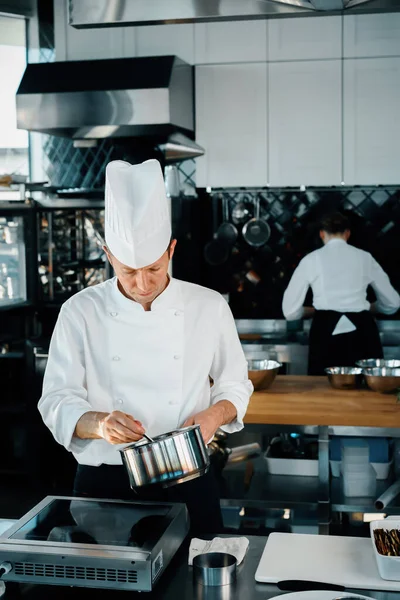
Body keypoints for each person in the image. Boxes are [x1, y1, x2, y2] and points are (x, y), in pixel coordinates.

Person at [38, 159, 253, 534]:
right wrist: (99, 424)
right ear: (108, 256)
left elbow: (235, 384)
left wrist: (213, 417)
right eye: (127, 271)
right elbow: (56, 399)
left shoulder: (208, 305)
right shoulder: (80, 311)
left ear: (171, 250)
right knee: (106, 590)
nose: (142, 283)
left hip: (188, 477)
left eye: (154, 268)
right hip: (104, 480)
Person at [282, 212, 400, 375]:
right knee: (366, 392)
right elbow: (393, 303)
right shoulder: (365, 258)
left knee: (323, 391)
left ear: (322, 233)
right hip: (363, 333)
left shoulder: (311, 259)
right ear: (347, 233)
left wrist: (314, 311)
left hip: (325, 332)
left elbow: (289, 311)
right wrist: (370, 308)